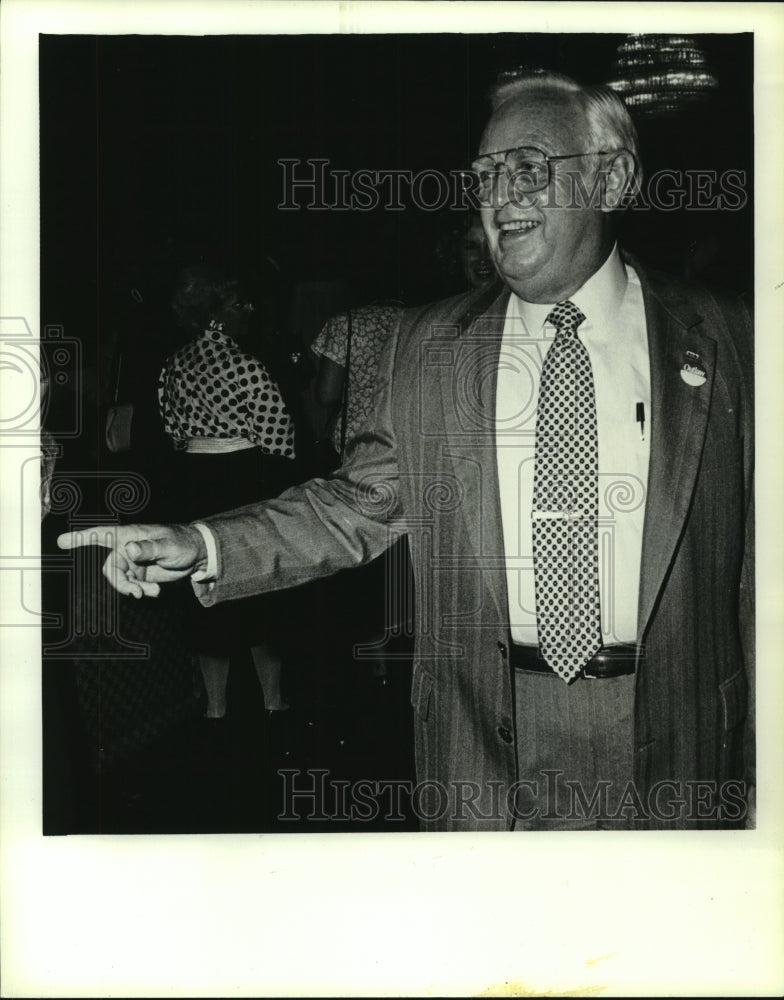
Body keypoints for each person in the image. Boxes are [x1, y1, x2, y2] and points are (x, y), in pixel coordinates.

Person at [59, 69, 754, 831]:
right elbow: (355, 506)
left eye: (528, 168)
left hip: (679, 750)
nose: (498, 197)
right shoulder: (427, 344)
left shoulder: (734, 339)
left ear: (612, 177)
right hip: (485, 753)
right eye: (484, 176)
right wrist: (199, 542)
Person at [158, 264, 297, 722]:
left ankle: (216, 709)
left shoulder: (174, 364)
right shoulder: (246, 364)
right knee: (258, 586)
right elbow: (277, 435)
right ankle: (273, 701)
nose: (250, 310)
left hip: (195, 481)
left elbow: (172, 430)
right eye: (241, 304)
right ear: (216, 314)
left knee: (204, 588)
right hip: (244, 477)